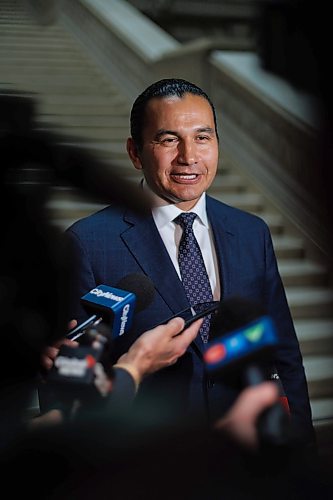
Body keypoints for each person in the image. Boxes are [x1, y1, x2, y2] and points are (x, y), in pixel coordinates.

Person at [61, 78, 315, 448]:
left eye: (202, 137)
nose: (189, 156)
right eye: (168, 140)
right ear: (135, 152)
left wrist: (299, 451)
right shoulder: (88, 242)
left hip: (242, 455)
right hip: (148, 461)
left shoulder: (251, 232)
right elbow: (72, 377)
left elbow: (282, 353)